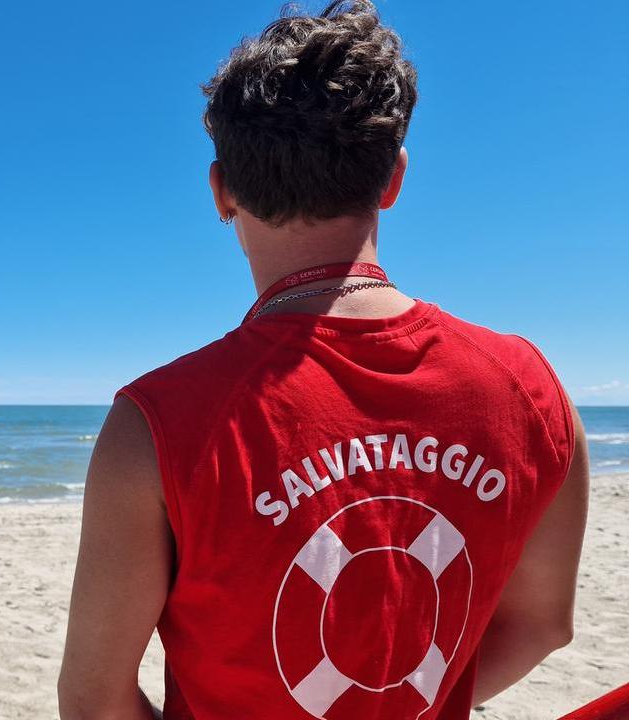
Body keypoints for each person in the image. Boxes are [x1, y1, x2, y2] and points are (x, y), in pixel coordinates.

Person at [57, 2, 589, 719]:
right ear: (394, 179)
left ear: (221, 191)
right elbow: (543, 626)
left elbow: (94, 701)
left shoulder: (154, 426)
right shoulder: (529, 389)